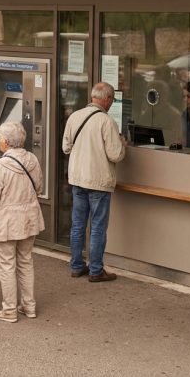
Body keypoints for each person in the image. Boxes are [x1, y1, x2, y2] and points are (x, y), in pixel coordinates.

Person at [0, 121, 45, 322]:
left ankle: (9, 310)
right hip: (29, 219)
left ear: (6, 142)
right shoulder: (33, 160)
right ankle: (29, 306)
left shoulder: (0, 166)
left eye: (0, 138)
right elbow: (39, 188)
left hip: (6, 222)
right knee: (25, 262)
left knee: (7, 265)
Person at [62, 82, 126, 283]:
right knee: (98, 226)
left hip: (77, 179)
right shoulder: (106, 122)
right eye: (112, 100)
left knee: (78, 224)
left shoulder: (74, 116)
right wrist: (123, 144)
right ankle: (96, 270)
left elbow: (66, 147)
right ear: (106, 99)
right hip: (98, 181)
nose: (111, 104)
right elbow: (115, 155)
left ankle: (76, 266)